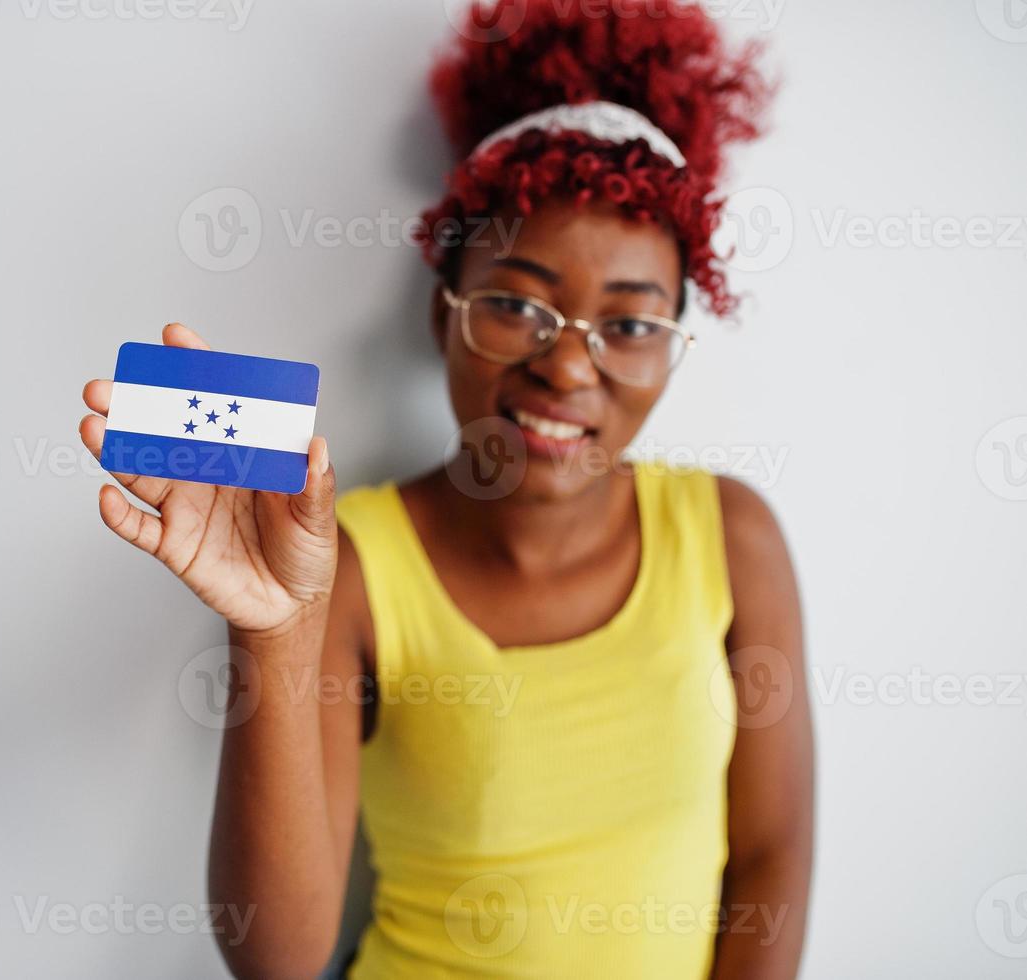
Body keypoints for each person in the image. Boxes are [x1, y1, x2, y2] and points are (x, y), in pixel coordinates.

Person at [79, 0, 813, 975]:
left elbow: (769, 859)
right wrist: (272, 627)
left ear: (676, 349)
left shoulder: (732, 537)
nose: (568, 369)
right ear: (444, 315)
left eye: (630, 325)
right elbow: (279, 957)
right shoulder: (347, 563)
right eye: (516, 304)